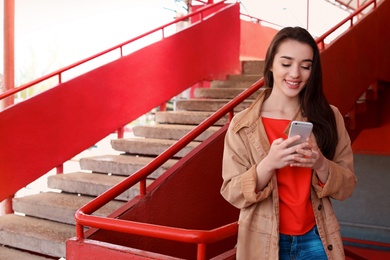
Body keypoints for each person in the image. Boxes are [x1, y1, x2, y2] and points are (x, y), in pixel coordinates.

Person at [220, 26, 356, 260]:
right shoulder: (242, 125)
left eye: (305, 66)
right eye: (286, 64)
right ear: (271, 64)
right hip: (263, 241)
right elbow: (232, 192)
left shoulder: (329, 117)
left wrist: (321, 164)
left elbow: (347, 186)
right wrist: (268, 164)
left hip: (317, 238)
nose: (295, 74)